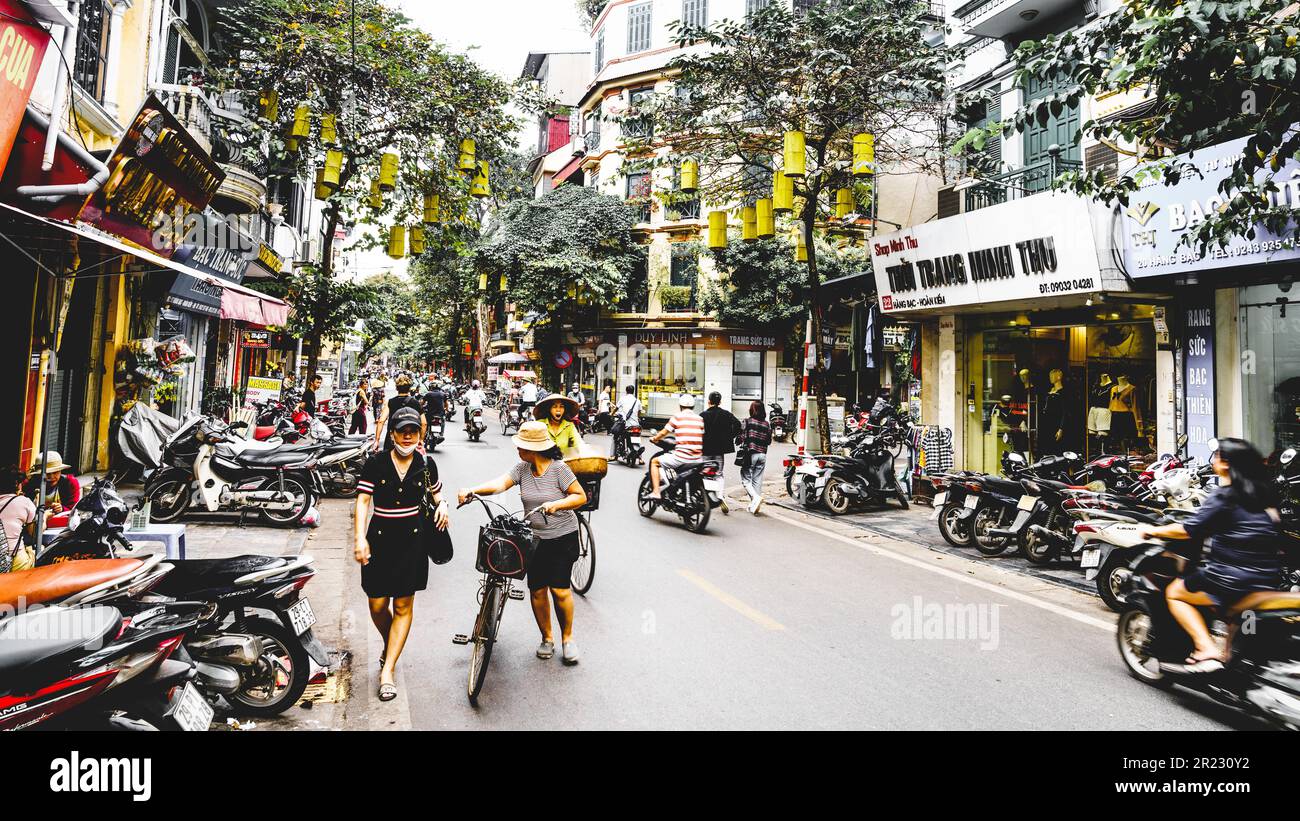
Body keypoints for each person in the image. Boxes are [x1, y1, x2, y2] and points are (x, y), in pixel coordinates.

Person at [1138, 438, 1285, 672]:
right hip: (1268, 578)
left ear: (1226, 464)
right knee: (1231, 611)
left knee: (1176, 592)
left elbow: (1187, 530)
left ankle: (1205, 647)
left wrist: (1152, 530)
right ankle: (1229, 656)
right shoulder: (1265, 495)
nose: (1213, 460)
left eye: (1216, 456)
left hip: (1231, 578)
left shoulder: (1226, 495)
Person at [458, 421, 587, 664]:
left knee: (559, 590)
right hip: (535, 539)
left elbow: (580, 496)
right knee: (537, 590)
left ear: (535, 448)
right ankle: (547, 637)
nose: (518, 449)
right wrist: (472, 491)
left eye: (522, 446)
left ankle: (568, 639)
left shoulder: (560, 470)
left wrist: (557, 504)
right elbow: (499, 484)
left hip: (562, 538)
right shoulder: (522, 469)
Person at [354, 407, 448, 701]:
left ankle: (388, 670)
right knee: (378, 604)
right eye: (402, 431)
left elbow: (436, 494)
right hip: (379, 539)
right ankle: (390, 643)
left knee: (404, 606)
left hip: (413, 541)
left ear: (420, 435)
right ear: (392, 433)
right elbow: (362, 501)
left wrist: (442, 504)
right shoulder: (376, 463)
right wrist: (359, 538)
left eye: (413, 432)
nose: (407, 437)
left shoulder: (426, 463)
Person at [648, 394, 705, 499]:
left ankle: (656, 492)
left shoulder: (677, 417)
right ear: (693, 406)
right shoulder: (700, 419)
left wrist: (655, 438)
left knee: (655, 462)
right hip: (697, 458)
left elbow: (664, 432)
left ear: (680, 406)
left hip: (682, 457)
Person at [700, 391, 740, 514]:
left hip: (705, 449)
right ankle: (720, 496)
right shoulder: (726, 414)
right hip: (719, 450)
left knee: (703, 473)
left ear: (709, 401)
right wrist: (729, 436)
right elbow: (738, 425)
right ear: (720, 402)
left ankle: (705, 498)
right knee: (719, 474)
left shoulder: (703, 415)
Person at [1, 465, 40, 572]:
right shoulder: (24, 501)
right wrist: (44, 516)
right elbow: (34, 534)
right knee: (39, 550)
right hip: (15, 562)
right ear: (18, 485)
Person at [737, 401, 773, 514]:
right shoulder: (767, 424)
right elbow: (769, 441)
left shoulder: (747, 421)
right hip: (762, 455)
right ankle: (754, 504)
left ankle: (756, 499)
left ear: (751, 410)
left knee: (746, 479)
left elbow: (740, 438)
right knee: (757, 480)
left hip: (750, 454)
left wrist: (739, 439)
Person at [375, 375, 425, 450]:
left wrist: (377, 440)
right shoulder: (415, 403)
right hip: (410, 440)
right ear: (409, 388)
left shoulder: (390, 402)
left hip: (393, 439)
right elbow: (424, 423)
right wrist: (421, 439)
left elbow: (381, 421)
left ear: (396, 388)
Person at [610, 385, 642, 458]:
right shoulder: (637, 400)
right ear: (633, 391)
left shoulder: (623, 399)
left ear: (626, 391)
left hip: (625, 423)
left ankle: (613, 455)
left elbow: (616, 408)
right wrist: (637, 418)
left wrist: (611, 414)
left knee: (615, 436)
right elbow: (639, 412)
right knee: (637, 438)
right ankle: (640, 459)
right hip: (635, 424)